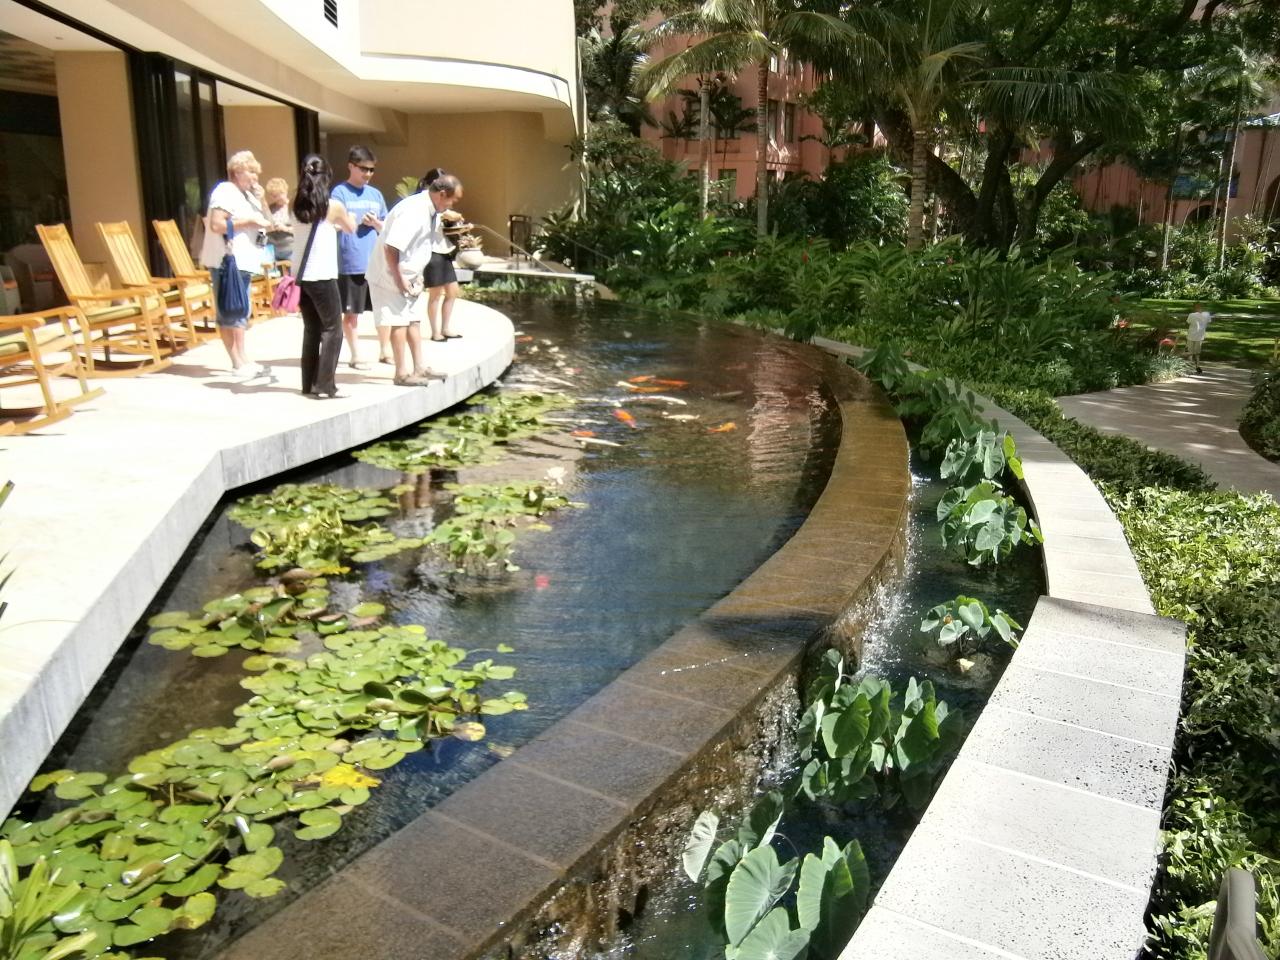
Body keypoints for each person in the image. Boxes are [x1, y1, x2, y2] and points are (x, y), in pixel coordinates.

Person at [366, 173, 463, 385]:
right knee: (398, 321)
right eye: (452, 200)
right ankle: (401, 373)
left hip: (409, 274)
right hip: (390, 275)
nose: (452, 205)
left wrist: (415, 276)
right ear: (442, 194)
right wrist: (399, 279)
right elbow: (391, 248)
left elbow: (419, 246)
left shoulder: (430, 209)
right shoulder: (413, 210)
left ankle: (419, 367)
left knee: (413, 320)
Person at [200, 150, 270, 377]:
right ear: (237, 171)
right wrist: (248, 221)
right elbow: (216, 224)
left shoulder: (248, 195)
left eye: (256, 173)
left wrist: (261, 200)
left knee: (241, 310)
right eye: (251, 172)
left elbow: (268, 223)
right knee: (230, 310)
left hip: (245, 261)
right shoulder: (225, 191)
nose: (255, 177)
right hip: (227, 261)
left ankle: (243, 357)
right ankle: (236, 361)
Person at [291, 155, 356, 398]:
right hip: (322, 275)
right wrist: (348, 219)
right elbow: (350, 227)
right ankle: (326, 384)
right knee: (333, 329)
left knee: (311, 330)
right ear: (326, 177)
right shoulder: (333, 206)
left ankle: (308, 384)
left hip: (300, 275)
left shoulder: (294, 204)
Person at [331, 145, 388, 370]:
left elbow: (385, 227)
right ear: (351, 166)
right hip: (351, 261)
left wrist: (375, 223)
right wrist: (354, 220)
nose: (368, 174)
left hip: (376, 262)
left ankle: (385, 350)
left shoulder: (376, 194)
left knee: (383, 311)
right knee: (351, 312)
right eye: (363, 169)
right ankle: (356, 355)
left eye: (371, 170)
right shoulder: (339, 193)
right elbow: (333, 223)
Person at [263, 177, 293, 264]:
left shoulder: (293, 207)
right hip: (273, 250)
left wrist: (285, 228)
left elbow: (301, 229)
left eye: (280, 194)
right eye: (274, 196)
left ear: (286, 191)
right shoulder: (270, 209)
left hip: (290, 250)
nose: (277, 198)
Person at [1186, 302, 1212, 374]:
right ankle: (1197, 366)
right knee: (1197, 353)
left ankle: (1190, 367)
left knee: (1190, 352)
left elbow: (1188, 322)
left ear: (1195, 308)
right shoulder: (1207, 314)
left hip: (1191, 336)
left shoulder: (1191, 315)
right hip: (1200, 336)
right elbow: (1208, 322)